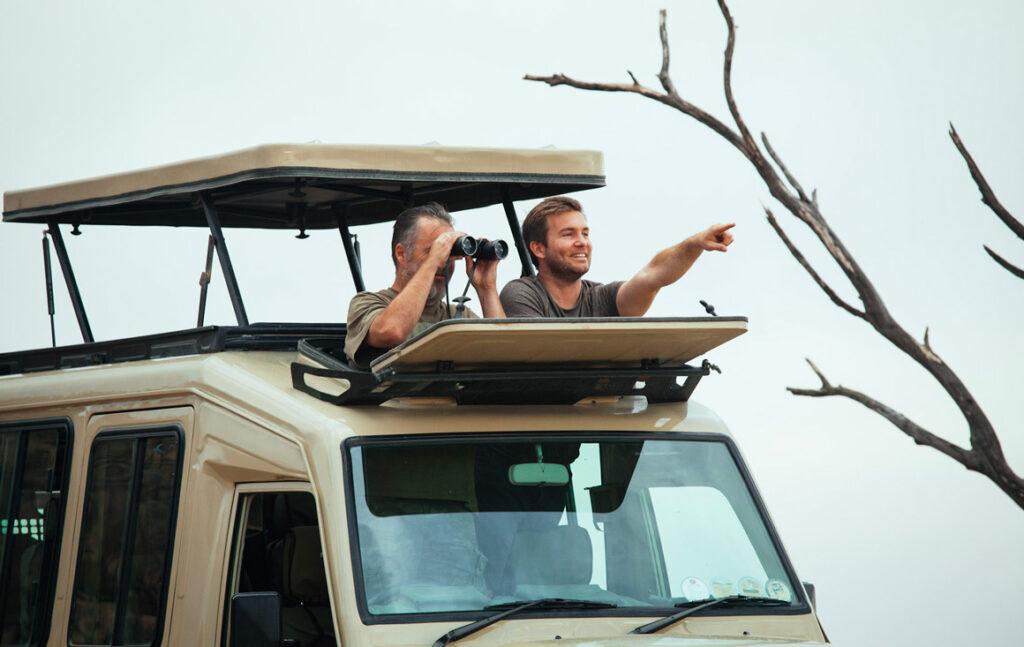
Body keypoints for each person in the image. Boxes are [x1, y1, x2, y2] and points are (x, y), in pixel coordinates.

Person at [500, 196, 734, 318]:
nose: (582, 242)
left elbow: (652, 277)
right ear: (539, 249)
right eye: (568, 234)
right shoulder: (523, 294)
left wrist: (694, 244)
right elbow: (536, 355)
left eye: (585, 233)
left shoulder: (602, 298)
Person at [345, 202, 505, 368]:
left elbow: (505, 352)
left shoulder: (457, 314)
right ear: (401, 254)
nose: (444, 262)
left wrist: (486, 288)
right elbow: (392, 331)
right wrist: (433, 261)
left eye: (450, 252)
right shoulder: (366, 304)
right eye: (434, 250)